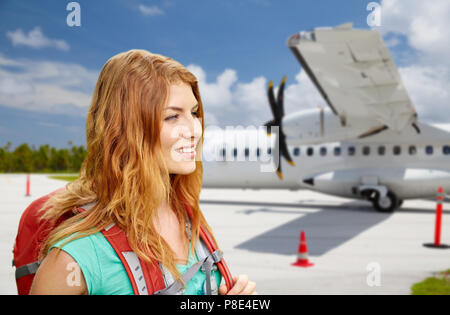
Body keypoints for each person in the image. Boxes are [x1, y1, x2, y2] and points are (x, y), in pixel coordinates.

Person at [29, 49, 257, 295]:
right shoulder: (74, 258)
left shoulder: (191, 223)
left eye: (193, 113)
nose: (194, 130)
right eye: (172, 117)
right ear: (126, 130)